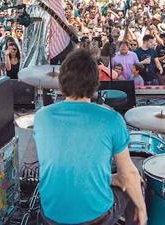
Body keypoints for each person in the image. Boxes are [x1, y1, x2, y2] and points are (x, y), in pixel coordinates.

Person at [33, 49, 146, 225]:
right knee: (136, 180)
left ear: (62, 81)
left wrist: (110, 178)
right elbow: (129, 175)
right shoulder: (111, 119)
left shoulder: (41, 117)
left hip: (51, 215)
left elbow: (69, 164)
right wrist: (142, 208)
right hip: (96, 219)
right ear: (95, 82)